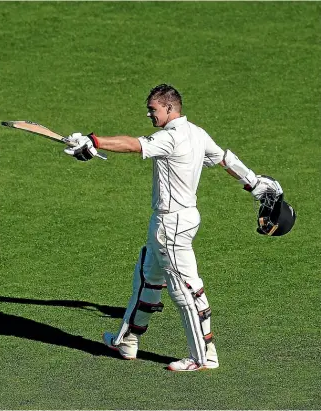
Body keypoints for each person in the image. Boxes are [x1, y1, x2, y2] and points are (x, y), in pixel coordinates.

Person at [64, 84, 286, 371]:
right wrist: (253, 182)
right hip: (177, 220)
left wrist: (94, 140)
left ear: (169, 108)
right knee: (147, 279)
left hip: (171, 225)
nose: (148, 114)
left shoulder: (170, 137)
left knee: (186, 291)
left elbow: (134, 144)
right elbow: (224, 159)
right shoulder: (197, 132)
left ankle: (203, 357)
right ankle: (127, 341)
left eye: (153, 109)